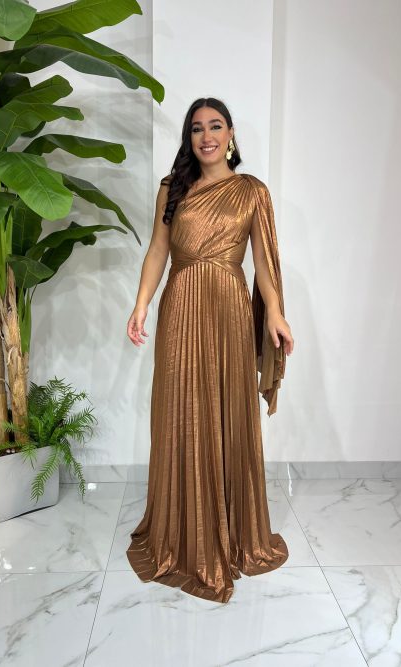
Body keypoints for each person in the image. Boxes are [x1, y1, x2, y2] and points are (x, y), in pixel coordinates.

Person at [125, 97, 294, 603]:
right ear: (189, 137)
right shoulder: (172, 189)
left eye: (215, 126)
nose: (207, 136)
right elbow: (158, 250)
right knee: (180, 411)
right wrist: (140, 304)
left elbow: (264, 263)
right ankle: (182, 534)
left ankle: (232, 532)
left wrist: (276, 313)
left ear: (231, 134)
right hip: (180, 306)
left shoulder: (252, 192)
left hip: (228, 311)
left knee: (227, 412)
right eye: (197, 128)